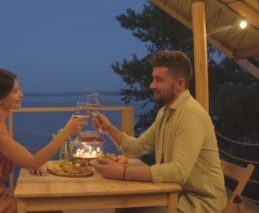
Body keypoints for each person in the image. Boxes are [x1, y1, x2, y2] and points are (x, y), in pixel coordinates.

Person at [92, 51, 227, 212]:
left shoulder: (190, 115)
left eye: (159, 80)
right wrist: (108, 128)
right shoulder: (165, 112)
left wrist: (122, 173)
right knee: (126, 205)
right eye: (153, 79)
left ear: (179, 84)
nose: (151, 85)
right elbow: (137, 147)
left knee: (130, 208)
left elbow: (177, 172)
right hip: (175, 192)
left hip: (199, 201)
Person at [0, 68, 87, 213]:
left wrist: (32, 162)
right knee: (49, 208)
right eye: (15, 91)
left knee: (49, 207)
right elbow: (33, 161)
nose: (21, 94)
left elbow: (24, 157)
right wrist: (66, 133)